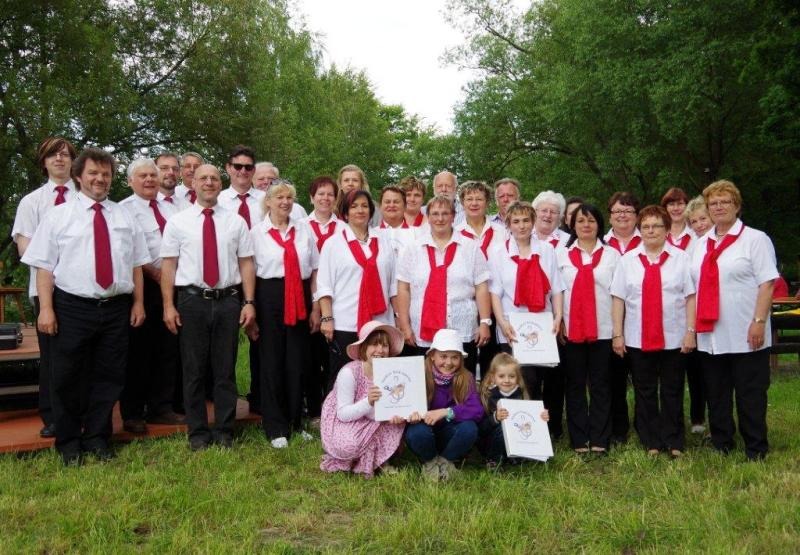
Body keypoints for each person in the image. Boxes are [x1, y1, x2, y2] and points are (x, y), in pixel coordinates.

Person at [22, 147, 150, 465]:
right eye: (93, 173)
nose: (100, 179)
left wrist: (138, 303)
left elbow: (135, 264)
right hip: (72, 307)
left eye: (105, 174)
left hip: (116, 306)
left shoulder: (123, 215)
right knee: (67, 377)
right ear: (79, 176)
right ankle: (68, 443)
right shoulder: (58, 215)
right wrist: (46, 309)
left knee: (109, 377)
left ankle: (97, 437)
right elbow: (44, 267)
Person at [160, 164, 257, 451]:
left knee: (225, 369)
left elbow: (246, 262)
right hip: (191, 300)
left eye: (214, 178)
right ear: (192, 183)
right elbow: (169, 266)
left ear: (220, 182)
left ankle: (225, 431)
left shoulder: (236, 221)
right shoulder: (178, 222)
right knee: (193, 369)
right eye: (203, 178)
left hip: (228, 300)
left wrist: (249, 301)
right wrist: (168, 305)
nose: (209, 182)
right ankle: (198, 433)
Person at [689, 180, 778, 461]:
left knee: (750, 394)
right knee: (717, 393)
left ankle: (755, 448)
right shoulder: (700, 244)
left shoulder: (755, 239)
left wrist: (759, 321)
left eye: (725, 201)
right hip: (711, 334)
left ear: (736, 206)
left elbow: (767, 283)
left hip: (745, 330)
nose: (718, 207)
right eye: (713, 203)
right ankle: (722, 442)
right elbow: (693, 287)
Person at [611, 205, 696, 457]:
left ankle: (674, 440)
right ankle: (651, 441)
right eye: (646, 226)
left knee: (672, 389)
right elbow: (618, 299)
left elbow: (690, 297)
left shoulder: (681, 259)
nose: (651, 231)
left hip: (674, 336)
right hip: (638, 337)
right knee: (644, 390)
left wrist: (690, 331)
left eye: (657, 225)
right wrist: (618, 334)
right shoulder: (627, 261)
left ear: (667, 229)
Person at [12, 136, 78, 438]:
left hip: (82, 290)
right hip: (47, 288)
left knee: (81, 355)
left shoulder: (86, 198)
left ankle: (82, 413)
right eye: (54, 155)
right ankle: (53, 416)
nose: (60, 160)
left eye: (66, 155)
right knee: (52, 357)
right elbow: (26, 248)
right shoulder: (33, 202)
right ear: (44, 162)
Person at [488, 201, 565, 437]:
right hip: (513, 326)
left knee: (549, 379)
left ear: (533, 222)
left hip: (543, 325)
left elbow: (557, 288)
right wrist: (502, 323)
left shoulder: (547, 250)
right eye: (516, 221)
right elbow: (495, 293)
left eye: (525, 220)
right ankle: (523, 432)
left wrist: (558, 317)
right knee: (523, 379)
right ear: (508, 224)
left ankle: (550, 431)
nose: (521, 226)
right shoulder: (499, 253)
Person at [250, 181, 317, 448]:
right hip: (270, 296)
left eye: (290, 197)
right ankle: (275, 425)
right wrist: (251, 305)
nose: (285, 202)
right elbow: (250, 272)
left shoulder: (304, 231)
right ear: (268, 201)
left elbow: (314, 269)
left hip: (299, 296)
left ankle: (295, 421)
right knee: (272, 361)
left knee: (296, 361)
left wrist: (315, 307)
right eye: (279, 197)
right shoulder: (257, 233)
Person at [118, 159, 183, 434]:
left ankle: (162, 407)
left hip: (175, 286)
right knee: (138, 351)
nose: (149, 180)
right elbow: (129, 251)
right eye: (142, 176)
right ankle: (133, 412)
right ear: (131, 181)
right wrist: (156, 275)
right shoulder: (123, 210)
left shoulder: (175, 207)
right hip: (143, 285)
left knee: (168, 349)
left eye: (152, 176)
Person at [396, 195, 493, 375]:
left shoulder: (470, 247)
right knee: (427, 385)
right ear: (428, 217)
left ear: (453, 216)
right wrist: (405, 325)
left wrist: (485, 322)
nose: (440, 218)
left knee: (462, 383)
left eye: (445, 213)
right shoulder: (414, 248)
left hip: (461, 327)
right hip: (423, 331)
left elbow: (481, 287)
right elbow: (403, 288)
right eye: (435, 214)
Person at [556, 203, 620, 454]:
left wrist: (617, 330)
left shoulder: (612, 255)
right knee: (574, 385)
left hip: (603, 329)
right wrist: (559, 319)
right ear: (572, 224)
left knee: (601, 385)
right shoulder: (560, 254)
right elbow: (556, 291)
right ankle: (579, 438)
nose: (586, 225)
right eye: (581, 221)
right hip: (571, 330)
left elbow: (618, 295)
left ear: (599, 225)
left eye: (591, 220)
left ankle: (600, 438)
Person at [316, 189, 397, 386]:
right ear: (345, 211)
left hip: (379, 320)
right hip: (347, 321)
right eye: (354, 206)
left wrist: (400, 319)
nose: (360, 210)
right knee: (344, 375)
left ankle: (376, 416)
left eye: (364, 206)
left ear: (371, 210)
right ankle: (337, 416)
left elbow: (393, 283)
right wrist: (327, 318)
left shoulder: (384, 240)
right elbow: (324, 285)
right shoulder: (333, 243)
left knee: (380, 375)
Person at [320, 321, 407, 477]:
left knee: (395, 426)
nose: (380, 350)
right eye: (374, 345)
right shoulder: (350, 372)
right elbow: (343, 414)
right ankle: (358, 457)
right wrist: (367, 401)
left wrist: (396, 414)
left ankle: (378, 460)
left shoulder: (392, 373)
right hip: (349, 419)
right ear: (364, 347)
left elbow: (394, 403)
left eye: (385, 346)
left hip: (376, 419)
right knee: (347, 445)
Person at [404, 329, 484, 482]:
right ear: (432, 356)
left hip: (449, 433)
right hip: (424, 431)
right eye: (443, 356)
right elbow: (406, 403)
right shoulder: (418, 372)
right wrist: (411, 415)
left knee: (469, 428)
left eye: (455, 357)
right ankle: (430, 462)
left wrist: (446, 412)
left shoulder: (466, 377)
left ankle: (446, 461)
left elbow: (477, 410)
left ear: (461, 359)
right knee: (416, 432)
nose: (448, 362)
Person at [218, 145, 263, 413]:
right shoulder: (218, 200)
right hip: (228, 280)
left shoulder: (266, 200)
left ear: (254, 170)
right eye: (238, 166)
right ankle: (224, 402)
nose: (243, 171)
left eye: (248, 167)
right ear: (228, 168)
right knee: (225, 348)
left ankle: (259, 397)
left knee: (261, 341)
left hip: (262, 279)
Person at [454, 180, 504, 375]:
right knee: (466, 360)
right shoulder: (455, 234)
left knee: (492, 362)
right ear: (462, 203)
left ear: (487, 202)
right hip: (465, 304)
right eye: (469, 199)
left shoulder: (502, 233)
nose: (474, 203)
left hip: (494, 301)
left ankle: (489, 403)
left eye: (479, 199)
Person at [604, 191, 641, 444]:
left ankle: (644, 427)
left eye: (628, 211)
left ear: (636, 216)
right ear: (610, 216)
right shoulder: (601, 243)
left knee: (643, 380)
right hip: (610, 322)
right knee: (614, 380)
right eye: (617, 211)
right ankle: (618, 430)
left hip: (641, 321)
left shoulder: (650, 238)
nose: (623, 216)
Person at [303, 175, 340, 407]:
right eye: (320, 194)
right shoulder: (301, 227)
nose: (325, 198)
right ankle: (314, 405)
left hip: (338, 298)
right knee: (310, 354)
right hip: (306, 297)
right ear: (311, 197)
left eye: (330, 194)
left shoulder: (344, 229)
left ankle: (334, 404)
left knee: (333, 355)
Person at [479, 353, 548, 469]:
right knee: (503, 427)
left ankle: (518, 456)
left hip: (517, 436)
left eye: (511, 376)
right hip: (491, 441)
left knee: (529, 429)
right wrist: (495, 418)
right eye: (501, 376)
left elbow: (528, 420)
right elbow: (481, 429)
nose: (506, 380)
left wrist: (541, 417)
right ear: (493, 377)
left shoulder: (521, 394)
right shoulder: (488, 396)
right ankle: (493, 460)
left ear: (518, 377)